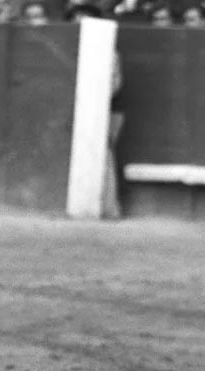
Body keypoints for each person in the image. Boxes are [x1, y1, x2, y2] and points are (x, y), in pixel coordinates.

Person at [65, 2, 124, 218]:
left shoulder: (108, 51)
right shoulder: (63, 47)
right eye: (76, 20)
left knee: (103, 152)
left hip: (104, 111)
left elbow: (113, 86)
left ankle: (109, 208)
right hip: (69, 111)